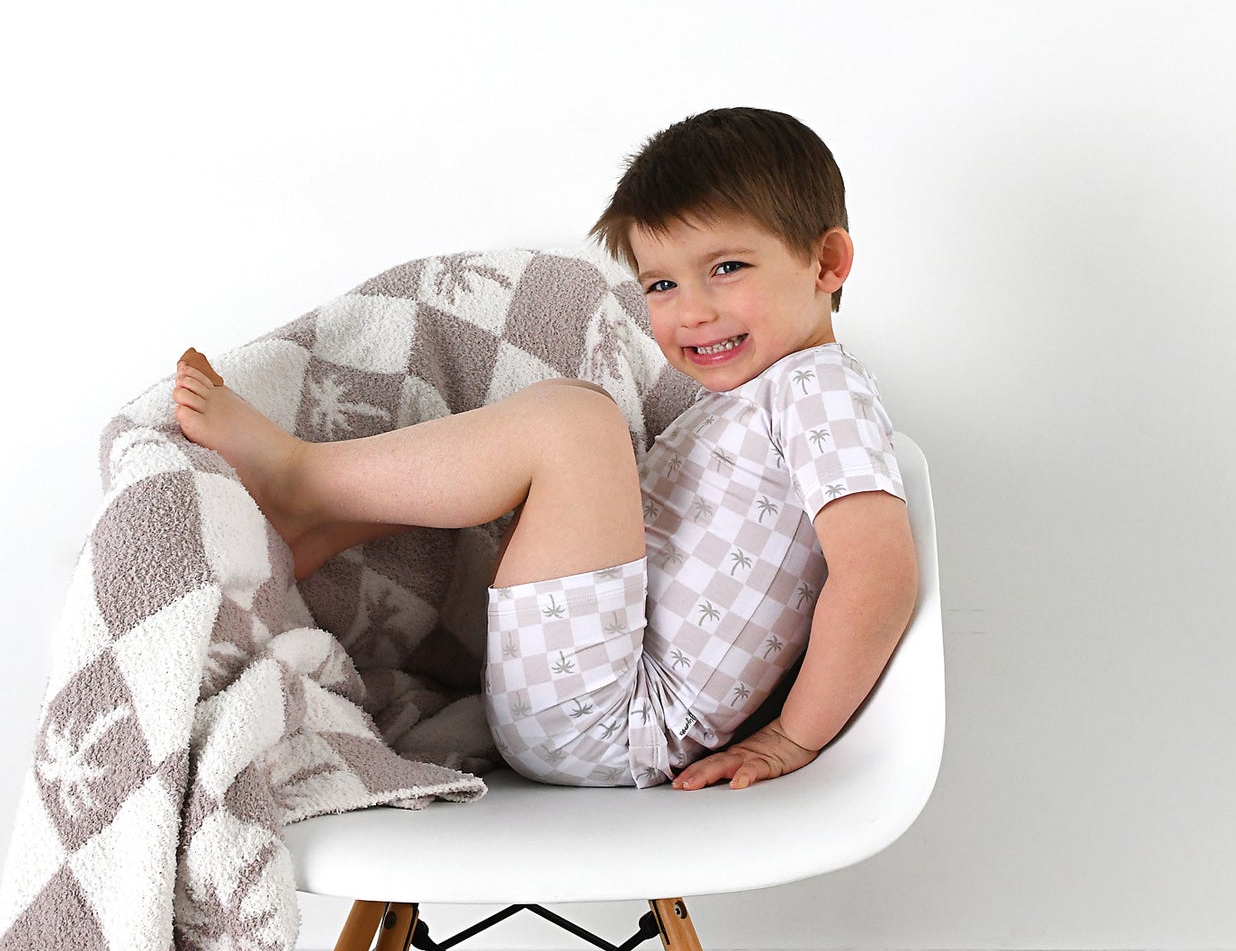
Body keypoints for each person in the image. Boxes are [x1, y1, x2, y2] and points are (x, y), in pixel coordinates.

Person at [170, 106, 919, 793]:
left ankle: (301, 481)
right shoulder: (754, 401)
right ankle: (327, 522)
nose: (691, 311)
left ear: (827, 263)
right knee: (573, 436)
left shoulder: (822, 388)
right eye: (661, 284)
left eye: (726, 268)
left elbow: (879, 576)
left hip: (618, 716)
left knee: (578, 423)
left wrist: (792, 737)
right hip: (591, 687)